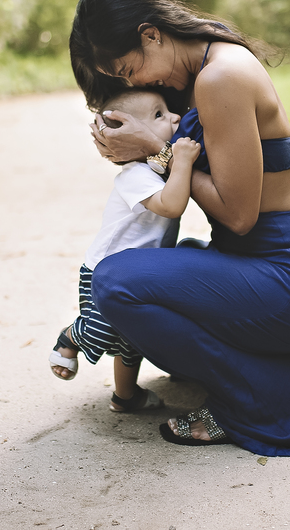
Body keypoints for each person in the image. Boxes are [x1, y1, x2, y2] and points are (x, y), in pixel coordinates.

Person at [68, 0, 290, 456]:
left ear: (151, 34)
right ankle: (280, 381)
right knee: (169, 262)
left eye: (130, 69)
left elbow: (240, 215)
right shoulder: (204, 65)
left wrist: (155, 149)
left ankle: (248, 405)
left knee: (116, 282)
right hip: (265, 264)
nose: (137, 84)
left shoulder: (221, 77)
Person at [48, 88, 202, 413]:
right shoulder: (136, 176)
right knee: (103, 329)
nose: (174, 117)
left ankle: (126, 396)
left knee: (131, 341)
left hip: (137, 276)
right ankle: (71, 338)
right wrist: (183, 160)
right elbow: (172, 205)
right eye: (160, 115)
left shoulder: (155, 169)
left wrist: (172, 158)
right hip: (104, 273)